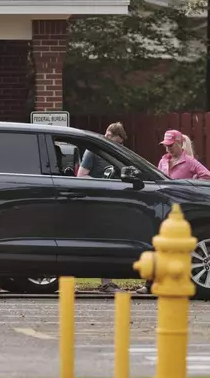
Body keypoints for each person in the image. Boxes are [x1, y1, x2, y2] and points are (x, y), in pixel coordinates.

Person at [134, 129, 210, 295]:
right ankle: (150, 283)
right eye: (165, 145)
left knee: (175, 246)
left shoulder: (189, 162)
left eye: (170, 145)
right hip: (162, 207)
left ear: (179, 144)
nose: (167, 149)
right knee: (158, 244)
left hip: (180, 209)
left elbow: (206, 175)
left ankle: (175, 279)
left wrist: (190, 186)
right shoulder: (162, 161)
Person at [77, 122, 128, 293]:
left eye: (120, 144)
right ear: (108, 135)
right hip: (95, 200)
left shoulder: (110, 153)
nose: (118, 146)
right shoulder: (92, 152)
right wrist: (101, 183)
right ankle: (106, 282)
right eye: (117, 142)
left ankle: (107, 281)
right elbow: (81, 176)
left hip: (111, 202)